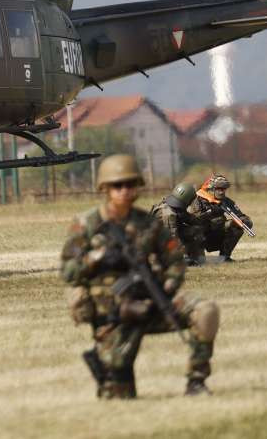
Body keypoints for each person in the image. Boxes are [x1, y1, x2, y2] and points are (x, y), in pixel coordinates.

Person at [60, 154, 220, 399]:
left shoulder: (148, 223)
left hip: (151, 304)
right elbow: (68, 272)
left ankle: (196, 381)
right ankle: (110, 372)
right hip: (112, 315)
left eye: (130, 184)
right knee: (118, 394)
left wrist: (166, 286)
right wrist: (96, 258)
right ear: (105, 188)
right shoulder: (87, 224)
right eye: (118, 185)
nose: (125, 190)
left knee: (205, 311)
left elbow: (174, 262)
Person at [185, 174, 253, 262]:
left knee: (237, 228)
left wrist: (244, 221)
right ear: (211, 189)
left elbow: (240, 215)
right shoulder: (198, 200)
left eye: (224, 189)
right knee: (200, 261)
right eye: (219, 189)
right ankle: (194, 258)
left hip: (217, 233)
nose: (221, 192)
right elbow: (195, 220)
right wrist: (211, 211)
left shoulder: (226, 201)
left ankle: (224, 257)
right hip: (201, 236)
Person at [150, 182, 205, 266]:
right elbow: (172, 237)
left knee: (196, 230)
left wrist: (206, 216)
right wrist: (183, 256)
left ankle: (197, 258)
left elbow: (191, 219)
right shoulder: (169, 214)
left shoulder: (175, 205)